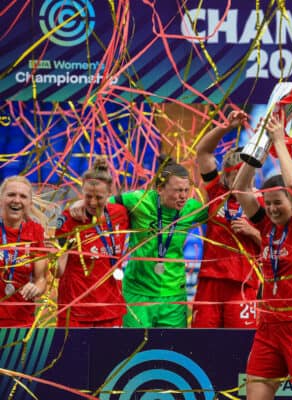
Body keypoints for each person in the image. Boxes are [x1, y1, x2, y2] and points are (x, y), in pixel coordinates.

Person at [233, 114, 292, 400]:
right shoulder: (265, 227)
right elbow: (240, 189)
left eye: (279, 203)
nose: (273, 209)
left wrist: (279, 141)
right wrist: (260, 145)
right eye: (269, 203)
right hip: (268, 327)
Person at [72, 155, 209, 328]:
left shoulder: (191, 209)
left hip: (173, 297)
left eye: (186, 190)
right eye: (177, 191)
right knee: (134, 351)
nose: (183, 196)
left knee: (170, 352)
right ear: (160, 189)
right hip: (137, 294)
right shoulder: (138, 200)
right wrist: (79, 203)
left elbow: (220, 212)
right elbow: (101, 203)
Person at [192, 109, 261, 329]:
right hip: (210, 281)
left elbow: (275, 244)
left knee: (241, 344)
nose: (242, 181)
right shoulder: (216, 192)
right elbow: (202, 152)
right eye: (237, 176)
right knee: (201, 343)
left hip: (243, 283)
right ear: (226, 175)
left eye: (247, 176)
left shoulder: (262, 201)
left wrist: (254, 233)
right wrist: (226, 127)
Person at [55, 158, 129, 327]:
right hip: (75, 313)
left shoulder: (121, 214)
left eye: (99, 197)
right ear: (82, 191)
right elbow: (58, 270)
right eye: (88, 196)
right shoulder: (68, 219)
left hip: (111, 309)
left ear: (110, 194)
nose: (93, 202)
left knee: (111, 354)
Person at [0, 176, 48, 327]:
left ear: (29, 203)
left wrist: (36, 288)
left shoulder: (36, 232)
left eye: (23, 196)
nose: (16, 200)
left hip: (22, 323)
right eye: (11, 194)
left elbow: (41, 279)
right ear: (1, 199)